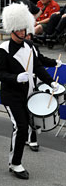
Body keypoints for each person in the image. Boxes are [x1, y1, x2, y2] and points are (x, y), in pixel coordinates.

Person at [0, 3, 58, 180]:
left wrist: (51, 82)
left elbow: (38, 68)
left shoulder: (30, 46)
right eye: (19, 30)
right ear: (12, 30)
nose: (23, 33)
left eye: (25, 29)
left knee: (27, 126)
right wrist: (15, 78)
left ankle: (14, 161)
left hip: (27, 94)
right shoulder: (3, 50)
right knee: (20, 127)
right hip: (11, 96)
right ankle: (15, 163)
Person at [24, 12, 62, 152]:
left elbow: (40, 61)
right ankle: (25, 137)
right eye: (25, 34)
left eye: (29, 35)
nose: (28, 37)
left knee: (32, 112)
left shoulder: (33, 47)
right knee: (23, 115)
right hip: (20, 86)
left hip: (33, 82)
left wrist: (54, 63)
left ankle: (32, 138)